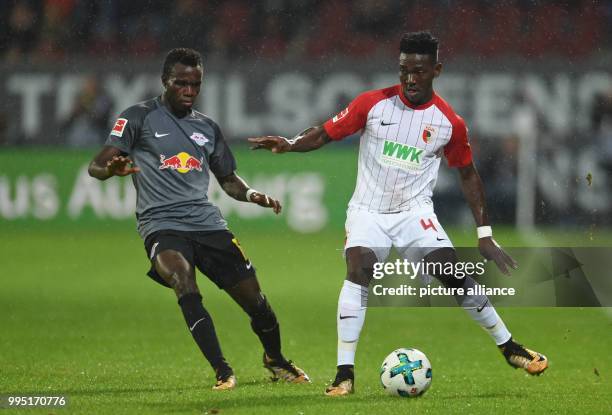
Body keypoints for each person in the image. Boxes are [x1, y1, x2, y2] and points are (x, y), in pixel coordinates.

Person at [249, 31, 548, 396]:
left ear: (436, 70)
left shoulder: (448, 122)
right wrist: (290, 144)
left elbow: (468, 173)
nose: (410, 78)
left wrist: (484, 235)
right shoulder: (371, 104)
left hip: (414, 213)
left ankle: (509, 347)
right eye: (404, 69)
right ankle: (344, 373)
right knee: (359, 270)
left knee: (452, 273)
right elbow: (326, 133)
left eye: (419, 71)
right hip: (368, 211)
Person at [88, 48, 309, 391]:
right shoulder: (137, 117)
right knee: (182, 280)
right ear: (165, 81)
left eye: (196, 84)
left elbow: (229, 180)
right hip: (160, 224)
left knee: (256, 303)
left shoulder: (207, 127)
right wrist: (112, 168)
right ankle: (223, 371)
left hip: (208, 225)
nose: (189, 91)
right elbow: (96, 165)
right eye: (181, 83)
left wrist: (253, 195)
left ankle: (275, 358)